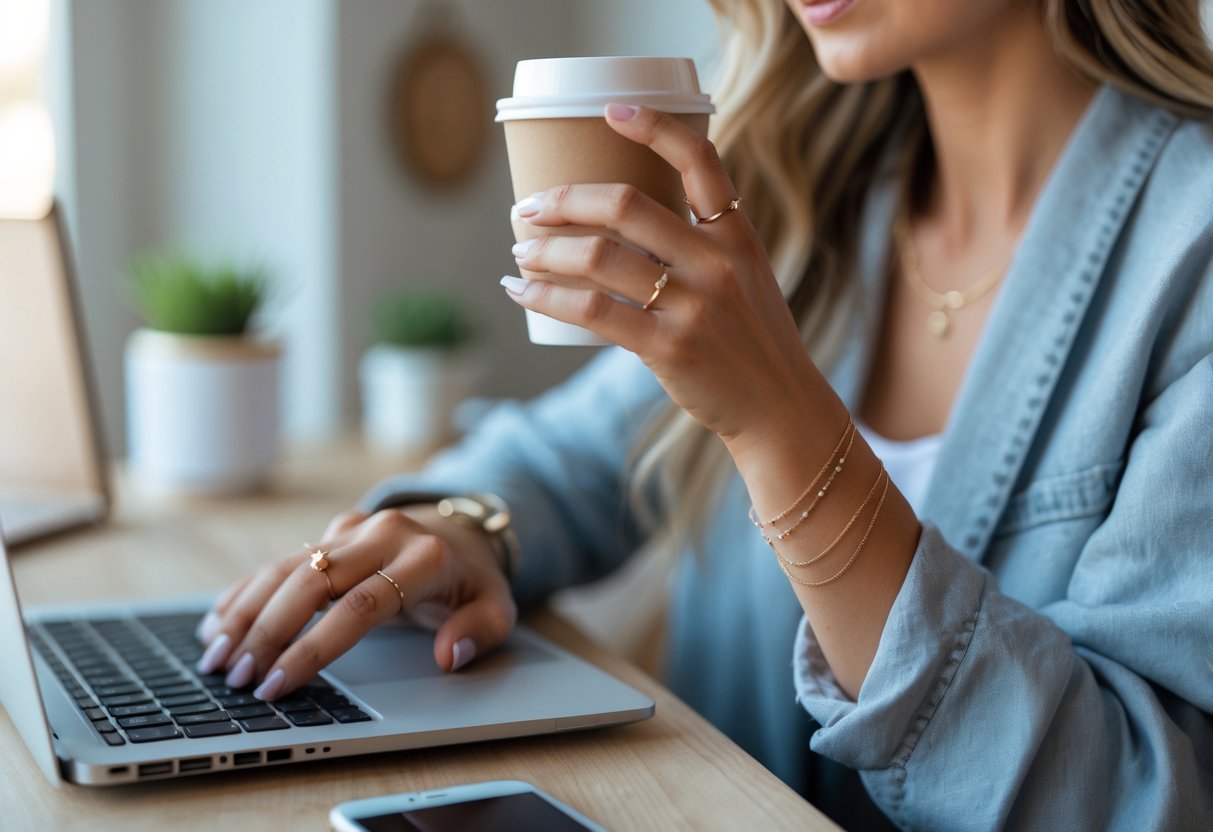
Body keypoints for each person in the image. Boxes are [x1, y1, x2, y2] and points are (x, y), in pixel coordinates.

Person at [193, 0, 1213, 827]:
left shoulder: (1191, 255)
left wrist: (782, 425)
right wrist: (467, 530)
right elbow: (574, 457)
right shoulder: (810, 194)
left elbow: (1141, 800)